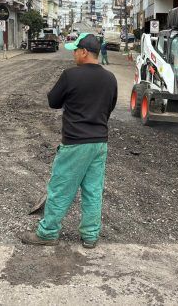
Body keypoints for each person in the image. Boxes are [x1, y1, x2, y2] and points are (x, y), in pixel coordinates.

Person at [20, 33, 118, 249]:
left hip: (75, 142)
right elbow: (109, 107)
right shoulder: (110, 78)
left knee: (60, 188)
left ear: (84, 52)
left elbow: (53, 101)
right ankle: (90, 236)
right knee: (93, 190)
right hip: (99, 143)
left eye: (75, 50)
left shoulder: (70, 76)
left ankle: (47, 233)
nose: (73, 54)